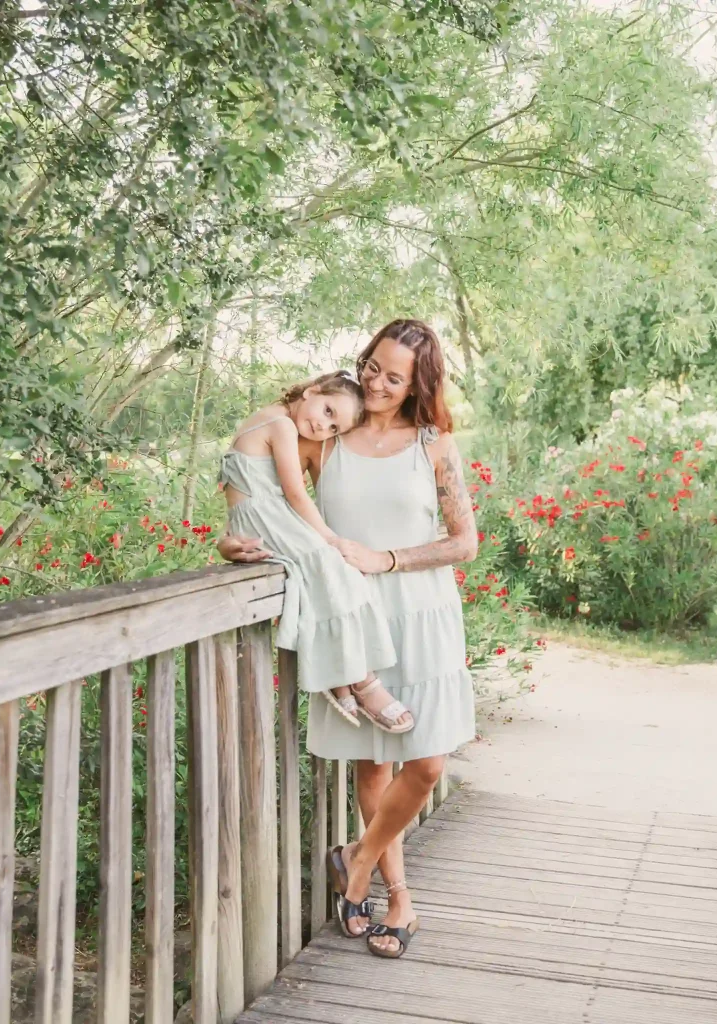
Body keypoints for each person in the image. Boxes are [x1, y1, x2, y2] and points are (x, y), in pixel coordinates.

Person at [219, 319, 477, 959]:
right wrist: (229, 538)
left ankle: (354, 865)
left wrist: (384, 559)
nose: (378, 382)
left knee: (426, 763)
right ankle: (398, 896)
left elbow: (463, 542)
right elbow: (253, 493)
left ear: (419, 383)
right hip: (353, 616)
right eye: (372, 366)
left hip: (424, 612)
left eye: (395, 376)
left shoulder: (434, 445)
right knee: (374, 764)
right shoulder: (325, 436)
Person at [219, 369, 415, 732]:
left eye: (333, 428)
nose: (323, 428)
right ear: (310, 391)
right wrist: (329, 537)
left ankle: (341, 675)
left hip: (255, 519)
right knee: (332, 563)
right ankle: (361, 679)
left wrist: (228, 534)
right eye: (327, 411)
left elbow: (239, 488)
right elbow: (294, 492)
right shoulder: (282, 425)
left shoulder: (265, 418)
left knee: (327, 574)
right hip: (268, 516)